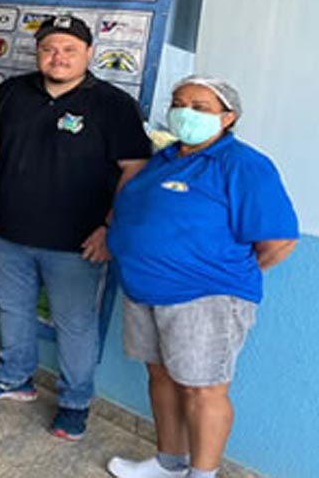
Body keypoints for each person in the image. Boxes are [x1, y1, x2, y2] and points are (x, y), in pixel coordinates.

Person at [0, 15, 152, 441]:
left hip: (78, 242)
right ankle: (14, 378)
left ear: (88, 53)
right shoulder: (13, 91)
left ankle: (74, 402)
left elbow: (134, 167)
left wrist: (109, 227)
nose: (58, 57)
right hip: (9, 229)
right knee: (13, 310)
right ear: (38, 52)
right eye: (49, 48)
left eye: (69, 49)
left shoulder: (112, 103)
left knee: (75, 324)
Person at [105, 76, 298, 478]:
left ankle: (203, 473)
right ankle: (168, 463)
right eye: (179, 103)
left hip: (205, 297)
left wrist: (218, 275)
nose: (185, 112)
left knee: (203, 387)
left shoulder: (244, 165)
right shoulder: (164, 158)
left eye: (200, 106)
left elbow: (278, 242)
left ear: (227, 118)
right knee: (159, 374)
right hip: (144, 289)